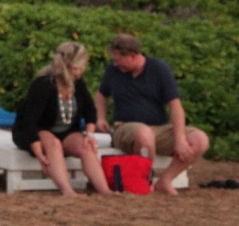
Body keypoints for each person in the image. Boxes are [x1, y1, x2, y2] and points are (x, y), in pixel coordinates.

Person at [93, 33, 210, 195]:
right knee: (144, 133)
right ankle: (144, 180)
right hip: (126, 127)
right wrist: (100, 117)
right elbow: (101, 95)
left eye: (118, 59)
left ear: (133, 56)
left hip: (158, 127)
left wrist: (180, 139)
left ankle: (165, 180)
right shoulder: (113, 71)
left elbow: (175, 105)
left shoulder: (159, 69)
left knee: (200, 139)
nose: (115, 63)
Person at [11, 41, 111, 196]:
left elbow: (90, 111)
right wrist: (39, 154)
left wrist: (89, 134)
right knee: (54, 144)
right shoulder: (43, 85)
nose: (84, 68)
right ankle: (67, 191)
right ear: (73, 66)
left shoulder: (78, 84)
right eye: (82, 64)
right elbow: (29, 121)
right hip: (35, 131)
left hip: (66, 131)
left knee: (86, 146)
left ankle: (105, 190)